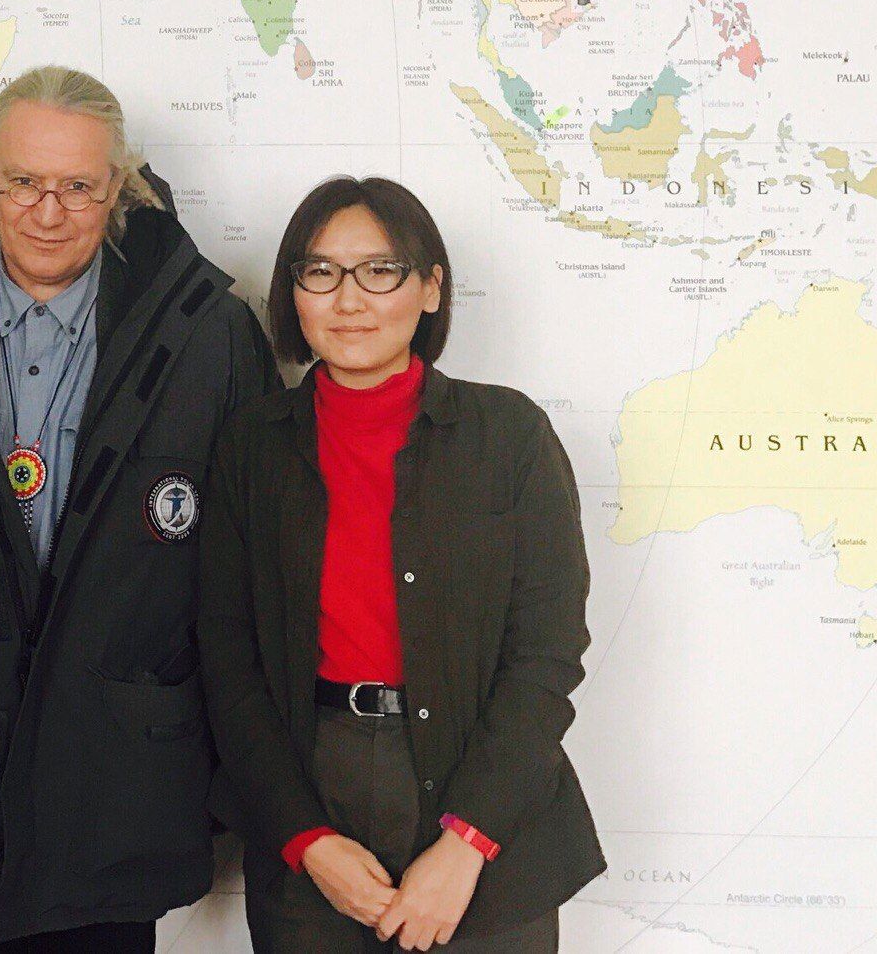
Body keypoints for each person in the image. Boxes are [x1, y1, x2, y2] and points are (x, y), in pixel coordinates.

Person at [0, 65, 280, 950]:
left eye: (78, 187)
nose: (48, 212)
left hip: (119, 798)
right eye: (24, 183)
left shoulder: (211, 334)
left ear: (116, 186)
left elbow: (253, 578)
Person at [198, 177, 605, 952]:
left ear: (431, 288)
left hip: (486, 803)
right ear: (293, 293)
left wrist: (467, 842)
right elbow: (227, 660)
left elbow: (546, 655)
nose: (349, 299)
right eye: (320, 272)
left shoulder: (508, 435)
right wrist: (305, 838)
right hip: (308, 794)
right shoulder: (252, 446)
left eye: (380, 270)